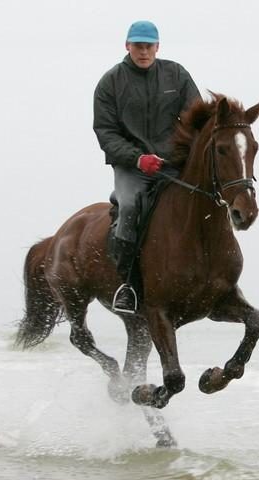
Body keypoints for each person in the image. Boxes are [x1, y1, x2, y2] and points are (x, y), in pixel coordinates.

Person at [93, 20, 200, 313]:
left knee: (203, 198)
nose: (143, 51)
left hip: (171, 164)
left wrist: (186, 153)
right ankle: (128, 285)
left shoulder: (176, 75)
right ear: (127, 46)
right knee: (129, 207)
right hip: (132, 167)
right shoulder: (110, 82)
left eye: (148, 46)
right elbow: (106, 132)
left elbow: (195, 119)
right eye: (138, 46)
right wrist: (138, 158)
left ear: (157, 47)